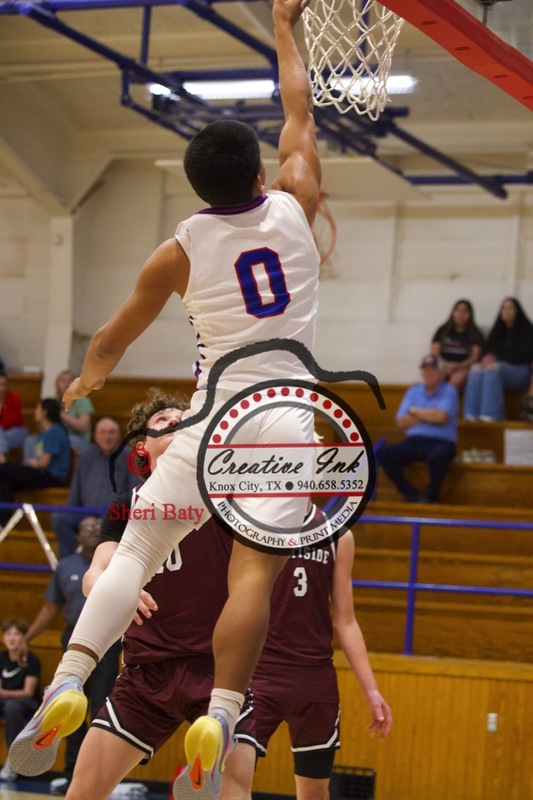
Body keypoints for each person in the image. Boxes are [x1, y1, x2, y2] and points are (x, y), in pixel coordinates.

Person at [9, 0, 321, 789]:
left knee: (140, 549)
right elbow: (299, 107)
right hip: (286, 420)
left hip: (215, 413)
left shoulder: (178, 249)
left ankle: (69, 680)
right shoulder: (295, 201)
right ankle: (221, 710)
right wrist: (285, 24)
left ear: (196, 187)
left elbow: (112, 339)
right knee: (250, 576)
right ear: (260, 174)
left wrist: (88, 383)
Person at [222, 524, 392, 800]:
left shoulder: (338, 536)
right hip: (259, 676)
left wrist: (372, 690)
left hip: (315, 681)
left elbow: (346, 621)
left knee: (314, 792)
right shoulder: (249, 527)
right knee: (232, 781)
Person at [21, 516, 121, 789]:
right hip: (73, 641)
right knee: (70, 706)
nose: (94, 529)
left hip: (108, 643)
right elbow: (49, 608)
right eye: (86, 526)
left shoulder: (119, 562)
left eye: (98, 526)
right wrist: (26, 639)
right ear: (76, 536)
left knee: (101, 707)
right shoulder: (65, 567)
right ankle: (71, 772)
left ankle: (98, 776)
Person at [52, 417, 138, 559]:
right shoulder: (85, 456)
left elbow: (133, 493)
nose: (107, 437)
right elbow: (76, 489)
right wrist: (76, 512)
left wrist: (107, 515)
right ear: (95, 435)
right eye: (103, 432)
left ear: (118, 435)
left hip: (114, 514)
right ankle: (70, 562)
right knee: (60, 518)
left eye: (111, 432)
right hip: (85, 512)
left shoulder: (129, 456)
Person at [378, 355, 459, 504]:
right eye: (425, 370)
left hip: (440, 442)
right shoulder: (414, 391)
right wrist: (430, 414)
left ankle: (431, 496)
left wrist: (415, 411)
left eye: (432, 370)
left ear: (441, 373)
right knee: (385, 453)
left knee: (440, 455)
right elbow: (402, 421)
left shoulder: (449, 391)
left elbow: (441, 417)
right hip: (414, 440)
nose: (428, 374)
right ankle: (410, 493)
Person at [0, 398, 71, 528]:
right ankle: (3, 522)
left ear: (45, 412)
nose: (35, 412)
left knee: (3, 469)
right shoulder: (43, 432)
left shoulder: (55, 431)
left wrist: (33, 462)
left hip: (51, 476)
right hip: (40, 472)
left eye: (38, 408)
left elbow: (43, 462)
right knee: (4, 481)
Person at [463, 297, 533, 422]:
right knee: (475, 370)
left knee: (493, 369)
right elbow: (487, 352)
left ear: (517, 310)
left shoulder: (527, 330)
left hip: (520, 370)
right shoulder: (497, 331)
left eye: (510, 308)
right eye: (504, 308)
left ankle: (491, 415)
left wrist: (497, 359)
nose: (507, 311)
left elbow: (526, 355)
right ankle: (470, 415)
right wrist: (486, 359)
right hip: (499, 367)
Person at [0, 618, 41, 782]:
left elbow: (27, 692)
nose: (12, 638)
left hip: (27, 704)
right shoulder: (1, 658)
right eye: (8, 634)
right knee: (9, 705)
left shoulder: (31, 659)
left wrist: (4, 692)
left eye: (16, 634)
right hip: (5, 700)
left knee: (12, 707)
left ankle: (12, 760)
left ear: (24, 637)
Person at [430, 299, 484, 390]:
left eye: (465, 311)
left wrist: (458, 366)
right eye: (458, 310)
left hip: (463, 368)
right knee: (435, 378)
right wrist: (445, 364)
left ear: (470, 314)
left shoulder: (475, 333)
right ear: (453, 313)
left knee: (457, 380)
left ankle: (445, 400)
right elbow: (434, 352)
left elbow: (475, 357)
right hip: (443, 365)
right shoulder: (442, 330)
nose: (461, 314)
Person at [55, 370, 94, 451]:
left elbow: (83, 426)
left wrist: (62, 415)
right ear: (57, 384)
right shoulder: (56, 402)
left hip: (78, 439)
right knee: (31, 440)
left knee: (66, 441)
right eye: (63, 381)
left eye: (70, 380)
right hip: (60, 436)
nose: (66, 384)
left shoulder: (83, 401)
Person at [0, 372, 28, 464]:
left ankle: (1, 457)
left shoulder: (15, 398)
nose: (2, 388)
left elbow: (11, 420)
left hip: (16, 430)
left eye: (4, 384)